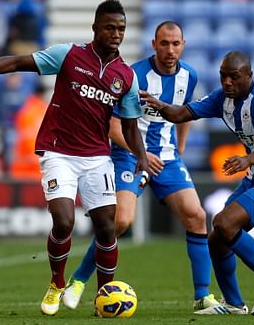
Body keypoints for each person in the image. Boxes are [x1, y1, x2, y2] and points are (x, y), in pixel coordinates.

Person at [0, 0, 149, 316]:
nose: (116, 33)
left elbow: (131, 126)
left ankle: (102, 298)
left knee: (107, 227)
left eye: (121, 28)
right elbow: (16, 63)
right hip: (58, 151)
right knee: (64, 221)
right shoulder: (69, 55)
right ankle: (56, 283)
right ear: (95, 27)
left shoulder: (126, 77)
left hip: (97, 156)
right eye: (109, 27)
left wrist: (142, 156)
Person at [62, 21, 219, 313]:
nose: (170, 50)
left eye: (175, 44)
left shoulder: (189, 75)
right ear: (153, 44)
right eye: (164, 44)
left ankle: (203, 297)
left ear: (183, 45)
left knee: (196, 216)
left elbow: (185, 112)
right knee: (121, 221)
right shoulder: (134, 76)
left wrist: (180, 149)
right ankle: (78, 281)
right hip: (130, 156)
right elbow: (111, 124)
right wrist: (140, 152)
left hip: (167, 158)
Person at [141, 50, 254, 316]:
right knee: (216, 238)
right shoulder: (222, 99)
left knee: (224, 222)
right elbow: (183, 113)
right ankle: (233, 304)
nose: (227, 82)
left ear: (249, 76)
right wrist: (159, 105)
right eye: (223, 76)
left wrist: (248, 160)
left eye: (234, 77)